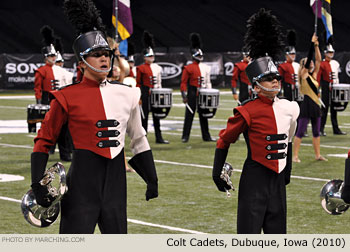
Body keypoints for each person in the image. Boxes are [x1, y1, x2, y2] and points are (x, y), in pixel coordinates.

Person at [30, 0, 158, 234]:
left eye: (106, 54)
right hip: (80, 188)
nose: (104, 59)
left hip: (116, 189)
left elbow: (139, 138)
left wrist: (151, 178)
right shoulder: (66, 97)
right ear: (81, 64)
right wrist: (37, 183)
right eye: (96, 55)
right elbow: (44, 140)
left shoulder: (128, 94)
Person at [212, 8, 299, 234]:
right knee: (248, 236)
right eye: (268, 79)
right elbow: (224, 140)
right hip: (254, 180)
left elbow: (288, 140)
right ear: (255, 85)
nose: (275, 82)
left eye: (276, 78)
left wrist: (287, 170)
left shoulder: (290, 108)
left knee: (278, 235)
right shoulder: (246, 111)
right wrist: (216, 171)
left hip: (278, 183)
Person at [292, 33, 328, 163]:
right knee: (300, 131)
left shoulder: (313, 75)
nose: (311, 62)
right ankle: (295, 156)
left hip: (315, 105)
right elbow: (309, 60)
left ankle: (317, 155)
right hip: (307, 104)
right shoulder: (303, 74)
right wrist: (311, 44)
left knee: (316, 132)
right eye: (308, 62)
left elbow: (318, 60)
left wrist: (317, 45)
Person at [180, 33, 216, 143]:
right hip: (192, 92)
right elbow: (183, 83)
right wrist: (184, 95)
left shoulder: (206, 67)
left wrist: (209, 93)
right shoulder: (188, 68)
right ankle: (185, 136)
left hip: (203, 93)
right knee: (189, 114)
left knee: (204, 115)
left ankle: (206, 135)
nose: (200, 58)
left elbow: (208, 81)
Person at [136, 31, 169, 144]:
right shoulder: (140, 68)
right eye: (149, 56)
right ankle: (143, 138)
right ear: (145, 57)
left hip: (156, 93)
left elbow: (159, 82)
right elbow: (138, 83)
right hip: (145, 92)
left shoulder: (158, 67)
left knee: (157, 116)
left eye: (153, 55)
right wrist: (139, 96)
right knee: (144, 116)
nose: (152, 57)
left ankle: (159, 137)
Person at [318, 38, 345, 136]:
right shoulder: (322, 64)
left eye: (332, 52)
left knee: (335, 109)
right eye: (329, 52)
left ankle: (336, 129)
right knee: (324, 108)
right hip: (326, 86)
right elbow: (318, 78)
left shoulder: (336, 63)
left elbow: (337, 77)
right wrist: (318, 88)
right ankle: (320, 129)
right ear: (325, 53)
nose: (331, 54)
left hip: (335, 87)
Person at [34, 25, 57, 105]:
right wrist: (39, 101)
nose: (53, 58)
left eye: (54, 56)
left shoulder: (58, 69)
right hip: (46, 99)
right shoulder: (41, 70)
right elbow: (38, 88)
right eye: (51, 56)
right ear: (46, 57)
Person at [278, 30, 300, 102]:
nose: (293, 56)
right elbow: (279, 80)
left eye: (294, 54)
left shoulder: (298, 65)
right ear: (287, 55)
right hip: (288, 88)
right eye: (291, 54)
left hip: (298, 89)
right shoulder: (282, 66)